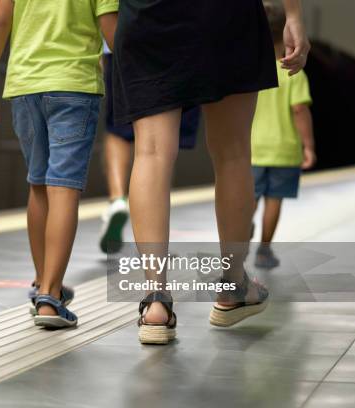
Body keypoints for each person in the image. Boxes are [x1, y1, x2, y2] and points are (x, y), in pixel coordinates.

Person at [112, 0, 310, 344]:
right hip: (225, 15)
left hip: (147, 16)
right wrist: (292, 14)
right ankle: (233, 285)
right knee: (232, 153)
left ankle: (156, 302)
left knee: (152, 152)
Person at [0, 0, 118, 328]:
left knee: (38, 182)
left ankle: (42, 281)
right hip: (73, 86)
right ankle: (51, 297)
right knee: (63, 185)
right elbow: (114, 32)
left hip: (26, 87)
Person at [99, 42, 202, 254]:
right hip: (185, 47)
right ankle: (156, 241)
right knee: (162, 147)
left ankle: (117, 199)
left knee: (119, 130)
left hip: (125, 43)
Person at [251, 2, 315, 268]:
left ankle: (237, 241)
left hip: (251, 149)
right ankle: (264, 250)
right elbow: (299, 110)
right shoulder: (293, 73)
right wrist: (308, 145)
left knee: (246, 197)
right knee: (273, 201)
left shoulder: (250, 72)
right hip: (284, 150)